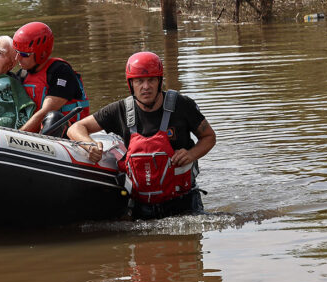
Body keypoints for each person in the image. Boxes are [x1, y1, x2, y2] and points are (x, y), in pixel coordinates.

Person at [67, 51, 217, 219]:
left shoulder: (183, 105)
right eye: (139, 81)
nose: (146, 87)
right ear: (131, 84)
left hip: (184, 204)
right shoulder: (120, 110)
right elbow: (76, 128)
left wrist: (191, 154)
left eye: (151, 80)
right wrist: (90, 144)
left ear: (160, 81)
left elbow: (209, 137)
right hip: (141, 208)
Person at [13, 21, 90, 134]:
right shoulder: (22, 75)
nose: (17, 58)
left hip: (69, 134)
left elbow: (47, 111)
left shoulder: (61, 72)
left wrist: (18, 135)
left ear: (42, 54)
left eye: (24, 54)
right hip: (34, 134)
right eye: (16, 52)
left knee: (53, 117)